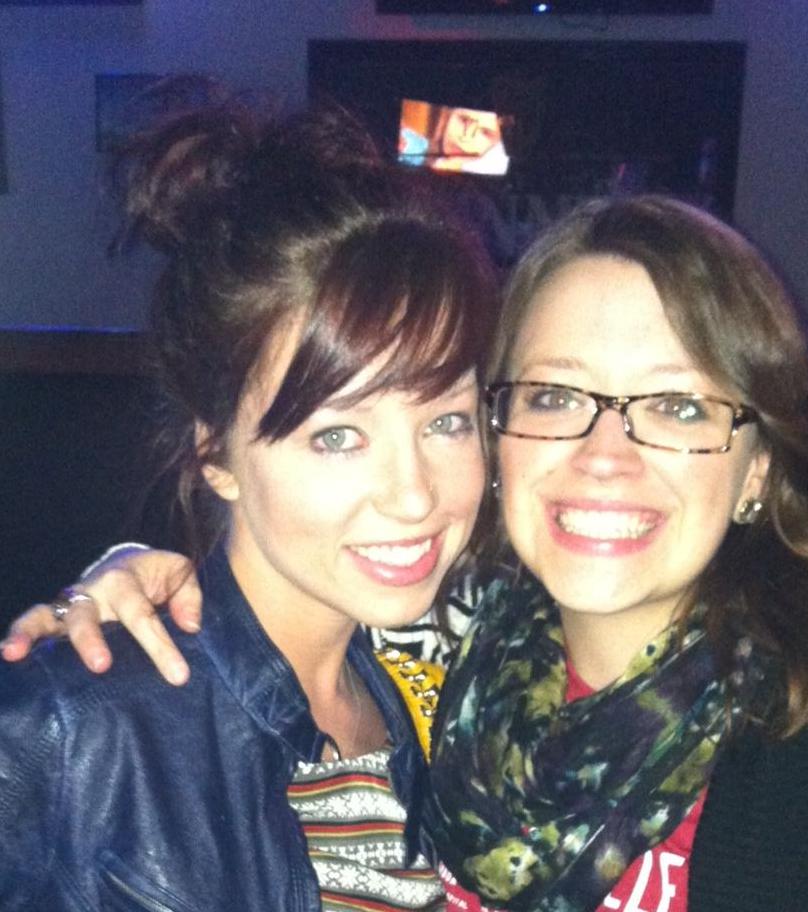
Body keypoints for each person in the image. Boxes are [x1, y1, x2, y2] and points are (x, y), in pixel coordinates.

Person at [5, 196, 808, 912]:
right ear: (505, 432)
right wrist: (132, 587)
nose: (605, 458)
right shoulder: (433, 655)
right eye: (555, 396)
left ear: (758, 466)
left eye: (677, 407)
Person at [0, 96, 499, 912]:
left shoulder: (437, 694)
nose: (415, 496)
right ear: (217, 455)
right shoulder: (75, 724)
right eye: (337, 436)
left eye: (446, 421)